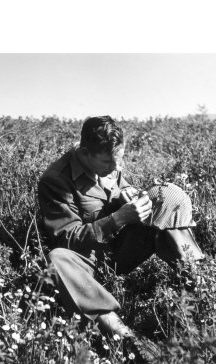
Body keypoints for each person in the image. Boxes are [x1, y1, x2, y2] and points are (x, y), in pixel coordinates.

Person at [38, 116, 203, 339]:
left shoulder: (110, 162)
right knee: (56, 259)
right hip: (87, 263)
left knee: (168, 196)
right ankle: (121, 333)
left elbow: (120, 187)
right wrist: (117, 219)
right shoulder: (55, 180)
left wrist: (129, 196)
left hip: (121, 248)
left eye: (120, 159)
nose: (117, 167)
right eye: (108, 163)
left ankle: (201, 286)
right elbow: (66, 239)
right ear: (85, 153)